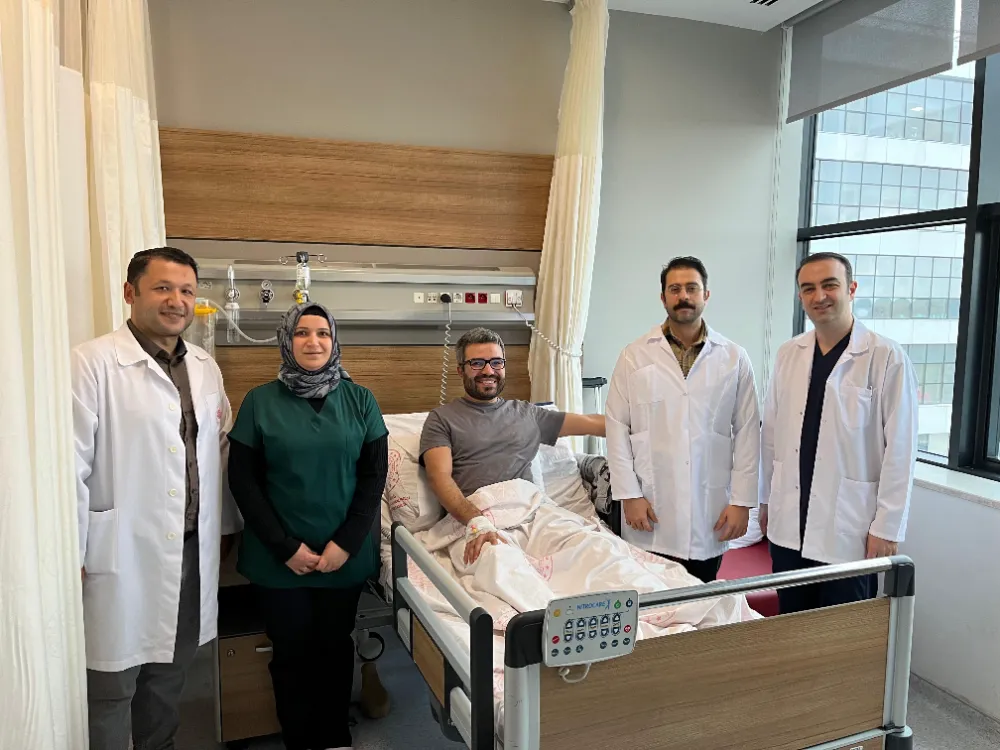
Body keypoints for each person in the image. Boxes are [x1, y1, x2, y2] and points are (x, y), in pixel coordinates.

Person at [73, 246, 242, 750]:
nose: (176, 301)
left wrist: (225, 529)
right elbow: (70, 465)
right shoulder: (91, 363)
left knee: (169, 677)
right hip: (117, 551)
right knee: (111, 687)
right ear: (130, 293)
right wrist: (72, 551)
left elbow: (219, 451)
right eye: (162, 288)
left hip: (191, 549)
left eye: (186, 290)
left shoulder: (205, 367)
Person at [227, 302, 388, 750]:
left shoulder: (360, 400)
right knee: (291, 652)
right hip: (278, 558)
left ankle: (335, 736)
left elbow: (373, 477)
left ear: (334, 341)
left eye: (322, 333)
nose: (313, 342)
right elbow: (242, 481)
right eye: (301, 333)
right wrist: (285, 547)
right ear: (286, 340)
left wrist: (346, 543)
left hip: (342, 554)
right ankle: (299, 739)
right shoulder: (259, 401)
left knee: (335, 647)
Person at [760, 252, 918, 613]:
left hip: (849, 530)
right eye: (808, 288)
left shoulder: (886, 357)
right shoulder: (789, 353)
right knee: (791, 626)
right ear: (800, 296)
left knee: (843, 631)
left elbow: (901, 451)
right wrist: (766, 502)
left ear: (851, 288)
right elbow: (771, 434)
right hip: (789, 524)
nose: (819, 296)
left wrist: (887, 527)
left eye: (829, 285)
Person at [604, 256, 760, 583]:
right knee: (651, 600)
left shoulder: (734, 358)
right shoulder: (634, 356)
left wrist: (742, 502)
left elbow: (748, 432)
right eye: (675, 289)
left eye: (692, 288)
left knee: (702, 599)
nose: (683, 296)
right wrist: (629, 495)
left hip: (710, 511)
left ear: (706, 295)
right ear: (663, 298)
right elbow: (616, 427)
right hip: (650, 507)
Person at [420, 327, 606, 563]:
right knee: (499, 565)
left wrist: (640, 427)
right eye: (477, 363)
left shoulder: (528, 414)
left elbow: (592, 423)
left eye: (496, 362)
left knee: (595, 550)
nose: (488, 370)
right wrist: (476, 521)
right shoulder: (442, 419)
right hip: (477, 520)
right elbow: (439, 477)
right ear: (460, 370)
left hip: (534, 515)